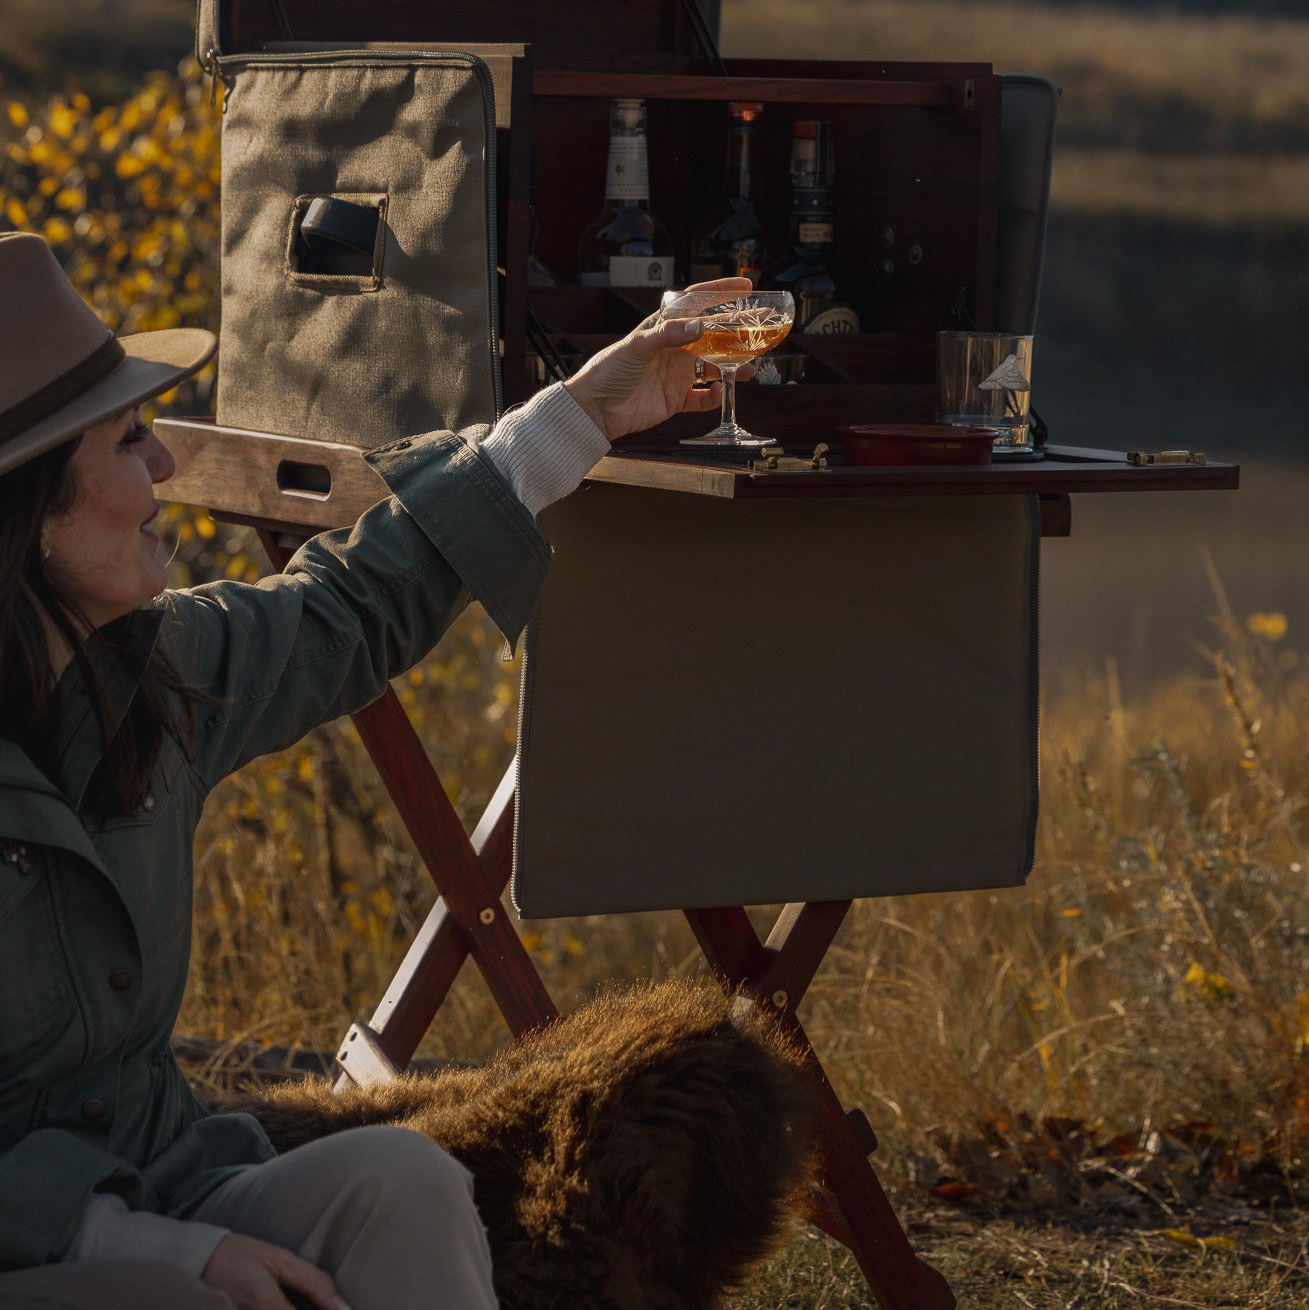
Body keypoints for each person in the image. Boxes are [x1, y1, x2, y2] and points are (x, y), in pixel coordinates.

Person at [0, 230, 750, 1310]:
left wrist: (584, 410)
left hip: (163, 1184)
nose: (163, 463)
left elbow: (346, 605)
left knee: (403, 1177)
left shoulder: (146, 678)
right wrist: (146, 1247)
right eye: (126, 440)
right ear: (29, 521)